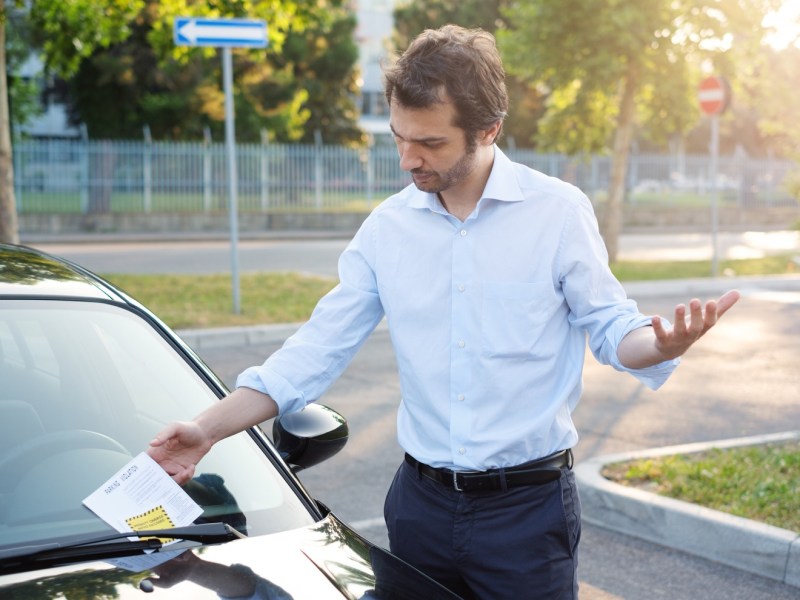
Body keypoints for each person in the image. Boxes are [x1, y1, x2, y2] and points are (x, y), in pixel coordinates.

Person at [148, 25, 740, 600]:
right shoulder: (387, 228)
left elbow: (615, 330)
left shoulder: (558, 213)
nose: (408, 159)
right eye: (400, 137)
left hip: (527, 516)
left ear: (488, 131)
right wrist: (206, 430)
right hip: (419, 511)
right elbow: (313, 352)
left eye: (430, 143)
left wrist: (661, 344)